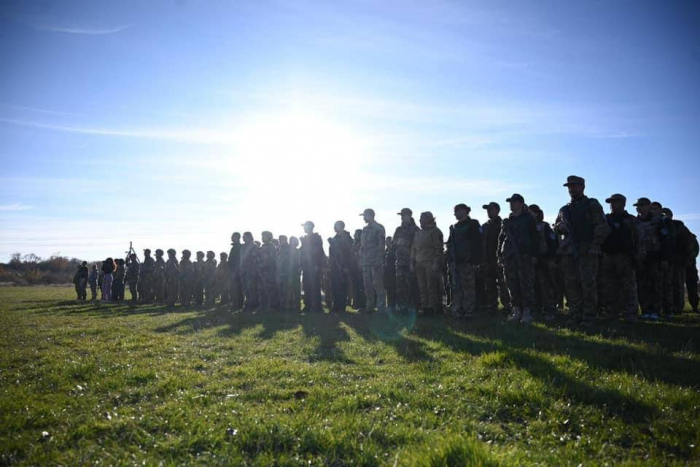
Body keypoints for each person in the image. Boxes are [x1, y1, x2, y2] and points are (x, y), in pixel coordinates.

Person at [555, 176, 609, 326]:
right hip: (569, 251)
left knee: (588, 284)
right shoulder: (564, 209)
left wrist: (594, 246)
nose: (572, 189)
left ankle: (589, 315)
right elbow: (556, 226)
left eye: (575, 186)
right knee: (571, 284)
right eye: (570, 187)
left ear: (582, 187)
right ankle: (575, 313)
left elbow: (602, 227)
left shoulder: (591, 204)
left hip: (587, 250)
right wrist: (560, 228)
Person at [600, 194, 644, 322]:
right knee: (609, 287)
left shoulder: (631, 220)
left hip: (626, 257)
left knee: (629, 287)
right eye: (611, 202)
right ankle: (611, 313)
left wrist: (638, 257)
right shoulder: (605, 219)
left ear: (623, 203)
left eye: (615, 202)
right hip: (608, 257)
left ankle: (630, 314)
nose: (612, 205)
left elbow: (639, 239)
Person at [498, 194, 539, 324]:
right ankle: (516, 310)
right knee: (512, 285)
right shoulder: (507, 221)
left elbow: (535, 238)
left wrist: (534, 255)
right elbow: (501, 239)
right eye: (510, 202)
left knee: (526, 285)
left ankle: (528, 312)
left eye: (514, 202)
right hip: (509, 258)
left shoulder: (528, 219)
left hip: (524, 256)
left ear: (521, 203)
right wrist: (499, 255)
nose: (511, 204)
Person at [446, 204, 482, 319]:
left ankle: (468, 311)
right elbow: (450, 244)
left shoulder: (473, 224)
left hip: (468, 262)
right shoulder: (454, 227)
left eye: (458, 210)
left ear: (465, 211)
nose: (456, 213)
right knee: (457, 288)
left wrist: (475, 261)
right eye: (455, 211)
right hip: (456, 262)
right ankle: (458, 310)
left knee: (468, 288)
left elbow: (478, 243)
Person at [528, 204, 558, 320]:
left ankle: (550, 309)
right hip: (531, 260)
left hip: (544, 259)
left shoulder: (544, 226)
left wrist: (551, 258)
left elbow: (552, 242)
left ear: (536, 213)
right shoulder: (527, 226)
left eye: (531, 212)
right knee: (533, 286)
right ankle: (535, 308)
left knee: (546, 285)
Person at [411, 211, 444, 315]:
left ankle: (432, 307)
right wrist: (412, 262)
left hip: (430, 262)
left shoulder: (435, 232)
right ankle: (425, 307)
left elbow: (439, 248)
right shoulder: (418, 233)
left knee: (431, 286)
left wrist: (436, 262)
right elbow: (414, 248)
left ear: (429, 219)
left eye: (422, 218)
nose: (420, 220)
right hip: (419, 262)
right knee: (422, 287)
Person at [481, 202, 510, 314]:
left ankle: (508, 306)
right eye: (487, 209)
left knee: (504, 284)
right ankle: (492, 306)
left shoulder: (503, 224)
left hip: (499, 259)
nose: (488, 211)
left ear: (497, 210)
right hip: (487, 260)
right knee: (489, 285)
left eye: (491, 209)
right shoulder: (484, 226)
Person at [636, 197, 662, 320]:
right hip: (641, 257)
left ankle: (655, 311)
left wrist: (665, 258)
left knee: (656, 284)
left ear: (648, 206)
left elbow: (666, 240)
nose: (639, 208)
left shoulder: (658, 221)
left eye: (642, 205)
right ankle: (645, 310)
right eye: (638, 206)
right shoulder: (635, 222)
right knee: (642, 284)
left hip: (655, 255)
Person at [662, 208, 690, 316]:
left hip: (678, 261)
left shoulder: (679, 227)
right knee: (666, 284)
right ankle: (667, 307)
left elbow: (689, 244)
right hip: (666, 260)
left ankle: (678, 308)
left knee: (678, 284)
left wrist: (686, 259)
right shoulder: (660, 226)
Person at [393, 208, 420, 312]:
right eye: (401, 215)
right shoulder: (398, 229)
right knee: (400, 285)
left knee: (411, 284)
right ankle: (401, 306)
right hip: (400, 262)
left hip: (411, 261)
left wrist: (407, 243)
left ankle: (412, 307)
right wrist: (397, 242)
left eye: (403, 215)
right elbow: (393, 244)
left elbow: (418, 245)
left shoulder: (415, 229)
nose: (402, 217)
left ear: (409, 215)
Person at [359, 209, 386, 313]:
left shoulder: (378, 228)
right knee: (367, 285)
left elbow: (381, 246)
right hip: (366, 261)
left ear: (370, 216)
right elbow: (362, 246)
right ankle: (369, 306)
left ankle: (381, 307)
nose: (363, 218)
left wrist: (378, 260)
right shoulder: (365, 229)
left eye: (364, 216)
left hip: (375, 261)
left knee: (378, 284)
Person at [329, 221, 354, 312]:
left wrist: (346, 266)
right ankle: (336, 305)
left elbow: (349, 253)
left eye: (335, 226)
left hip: (343, 266)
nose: (334, 228)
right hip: (334, 266)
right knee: (335, 286)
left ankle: (341, 306)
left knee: (342, 287)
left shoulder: (347, 238)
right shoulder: (334, 239)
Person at [300, 221, 325, 313]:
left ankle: (317, 307)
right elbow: (303, 253)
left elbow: (318, 252)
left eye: (305, 226)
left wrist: (317, 265)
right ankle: (308, 305)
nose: (304, 228)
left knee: (315, 286)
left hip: (314, 266)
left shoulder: (316, 238)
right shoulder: (305, 238)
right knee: (306, 286)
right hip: (306, 266)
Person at [259, 231, 278, 311]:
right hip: (262, 271)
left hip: (269, 271)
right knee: (262, 289)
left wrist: (265, 266)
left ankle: (272, 306)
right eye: (262, 236)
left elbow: (271, 260)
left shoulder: (271, 247)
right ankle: (263, 305)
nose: (262, 238)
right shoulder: (262, 247)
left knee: (270, 289)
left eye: (264, 236)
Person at [240, 232, 259, 311]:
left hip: (251, 271)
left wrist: (253, 271)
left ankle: (253, 305)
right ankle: (247, 304)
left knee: (251, 289)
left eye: (244, 237)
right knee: (245, 289)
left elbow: (255, 259)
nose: (243, 238)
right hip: (244, 270)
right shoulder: (243, 246)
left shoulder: (253, 246)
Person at [350, 229, 366, 310]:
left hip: (360, 268)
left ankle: (362, 304)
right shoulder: (354, 244)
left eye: (356, 234)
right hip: (354, 268)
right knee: (355, 287)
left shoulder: (362, 244)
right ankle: (356, 303)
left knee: (361, 287)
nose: (354, 235)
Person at [229, 232, 244, 310]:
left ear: (238, 237)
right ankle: (235, 304)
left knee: (238, 289)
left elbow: (239, 259)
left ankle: (238, 305)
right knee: (234, 289)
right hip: (233, 271)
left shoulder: (239, 247)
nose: (232, 238)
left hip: (237, 271)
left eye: (233, 237)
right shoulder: (234, 247)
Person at [276, 236, 292, 310]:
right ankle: (281, 305)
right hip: (279, 272)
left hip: (286, 272)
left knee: (286, 290)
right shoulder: (279, 248)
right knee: (280, 290)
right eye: (279, 240)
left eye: (281, 239)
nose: (279, 241)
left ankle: (287, 306)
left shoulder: (288, 248)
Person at [686, 230, 700, 314]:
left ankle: (694, 306)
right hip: (688, 264)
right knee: (692, 287)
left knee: (692, 287)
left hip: (688, 265)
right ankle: (694, 306)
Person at [289, 236, 302, 312]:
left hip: (295, 272)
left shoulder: (298, 251)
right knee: (289, 290)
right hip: (289, 272)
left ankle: (297, 306)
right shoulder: (288, 251)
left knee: (296, 290)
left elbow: (299, 262)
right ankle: (290, 305)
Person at [384, 236, 397, 309]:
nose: (386, 243)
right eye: (386, 241)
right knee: (388, 289)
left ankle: (393, 305)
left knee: (393, 289)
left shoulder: (393, 251)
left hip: (393, 271)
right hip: (387, 272)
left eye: (388, 241)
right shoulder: (386, 251)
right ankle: (389, 304)